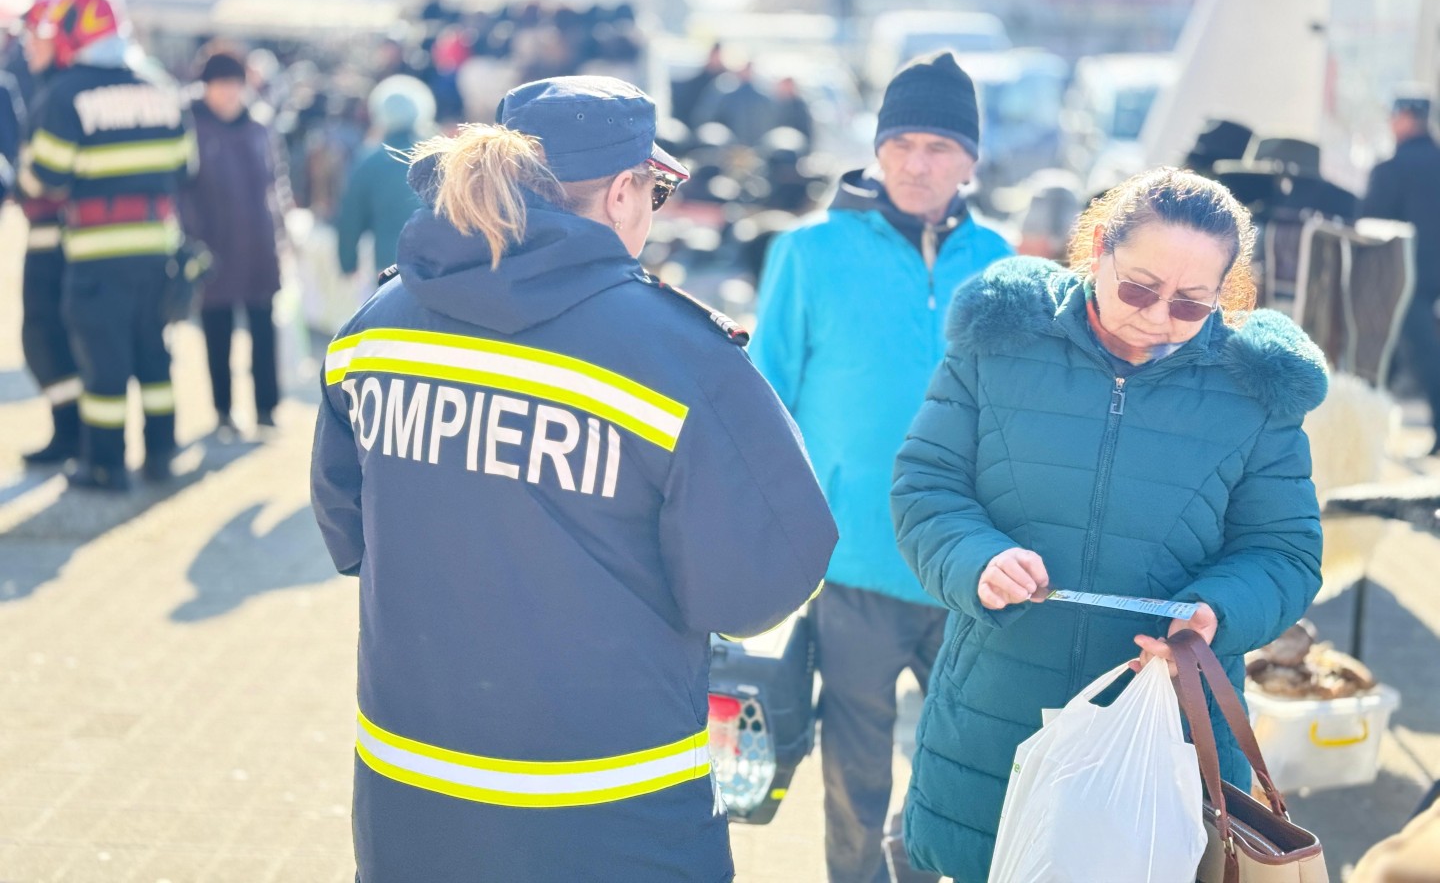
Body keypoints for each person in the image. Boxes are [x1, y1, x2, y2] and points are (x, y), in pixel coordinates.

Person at [310, 75, 838, 883]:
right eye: (655, 192)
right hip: (610, 808)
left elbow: (347, 530)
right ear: (623, 192)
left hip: (410, 797)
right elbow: (762, 581)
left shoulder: (373, 330)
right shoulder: (678, 356)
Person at [891, 168, 1327, 882]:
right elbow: (927, 485)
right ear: (1099, 249)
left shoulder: (1255, 390)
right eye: (1139, 288)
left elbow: (1283, 552)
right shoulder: (1000, 343)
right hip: (995, 713)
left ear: (1225, 293)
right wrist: (976, 559)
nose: (1157, 318)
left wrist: (1216, 614)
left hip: (1172, 729)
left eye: (1190, 304)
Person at [750, 50, 1012, 883]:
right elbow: (762, 399)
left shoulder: (1003, 263)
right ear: (876, 148)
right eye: (900, 144)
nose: (916, 163)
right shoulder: (809, 252)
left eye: (939, 147)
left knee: (963, 771)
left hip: (967, 564)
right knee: (854, 778)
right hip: (853, 560)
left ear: (970, 160)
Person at [25, 0, 193, 491]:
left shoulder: (65, 93)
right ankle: (162, 454)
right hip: (157, 250)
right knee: (154, 356)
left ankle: (105, 466)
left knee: (104, 364)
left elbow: (46, 177)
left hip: (96, 254)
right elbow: (186, 166)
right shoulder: (161, 86)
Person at [182, 50, 284, 437]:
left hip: (259, 244)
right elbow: (182, 191)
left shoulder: (259, 125)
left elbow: (277, 182)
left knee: (263, 328)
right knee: (217, 330)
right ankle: (223, 411)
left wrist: (282, 233)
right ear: (205, 87)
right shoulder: (191, 127)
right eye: (220, 84)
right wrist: (190, 239)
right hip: (212, 246)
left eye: (234, 84)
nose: (228, 92)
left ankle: (267, 408)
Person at [13, 0, 84, 464]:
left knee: (45, 336)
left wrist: (21, 180)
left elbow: (46, 177)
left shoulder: (58, 94)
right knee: (49, 336)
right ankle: (71, 432)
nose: (27, 46)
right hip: (57, 236)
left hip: (56, 238)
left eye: (35, 36)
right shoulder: (51, 87)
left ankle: (70, 434)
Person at [1361, 94, 1440, 453]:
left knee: (1398, 354)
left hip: (1406, 277)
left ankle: (1365, 429)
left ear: (1407, 118)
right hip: (1427, 275)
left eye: (1395, 116)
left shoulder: (1392, 169)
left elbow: (1368, 224)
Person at [335, 75, 432, 279]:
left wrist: (348, 263)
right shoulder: (437, 158)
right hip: (436, 264)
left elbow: (351, 217)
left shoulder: (369, 161)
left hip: (388, 267)